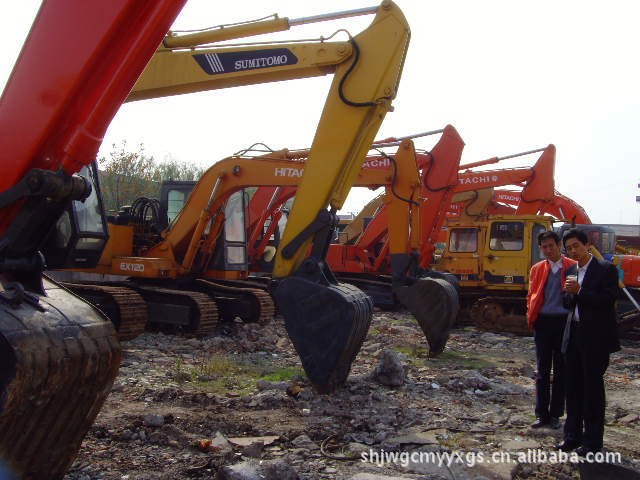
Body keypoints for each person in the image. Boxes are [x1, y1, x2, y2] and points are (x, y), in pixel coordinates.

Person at [557, 228, 620, 455]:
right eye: (569, 248)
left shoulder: (605, 269)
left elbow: (608, 300)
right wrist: (569, 294)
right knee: (572, 387)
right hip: (573, 334)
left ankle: (592, 441)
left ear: (586, 245)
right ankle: (571, 436)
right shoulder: (571, 270)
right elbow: (567, 302)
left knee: (592, 390)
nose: (573, 251)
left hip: (595, 338)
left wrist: (580, 291)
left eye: (576, 246)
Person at [527, 230, 576, 429]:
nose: (548, 250)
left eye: (551, 246)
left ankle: (556, 414)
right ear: (541, 248)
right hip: (544, 322)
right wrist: (531, 316)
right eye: (544, 247)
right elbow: (531, 294)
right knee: (542, 370)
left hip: (564, 323)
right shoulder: (537, 268)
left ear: (559, 246)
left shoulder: (572, 267)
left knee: (562, 370)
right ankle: (541, 414)